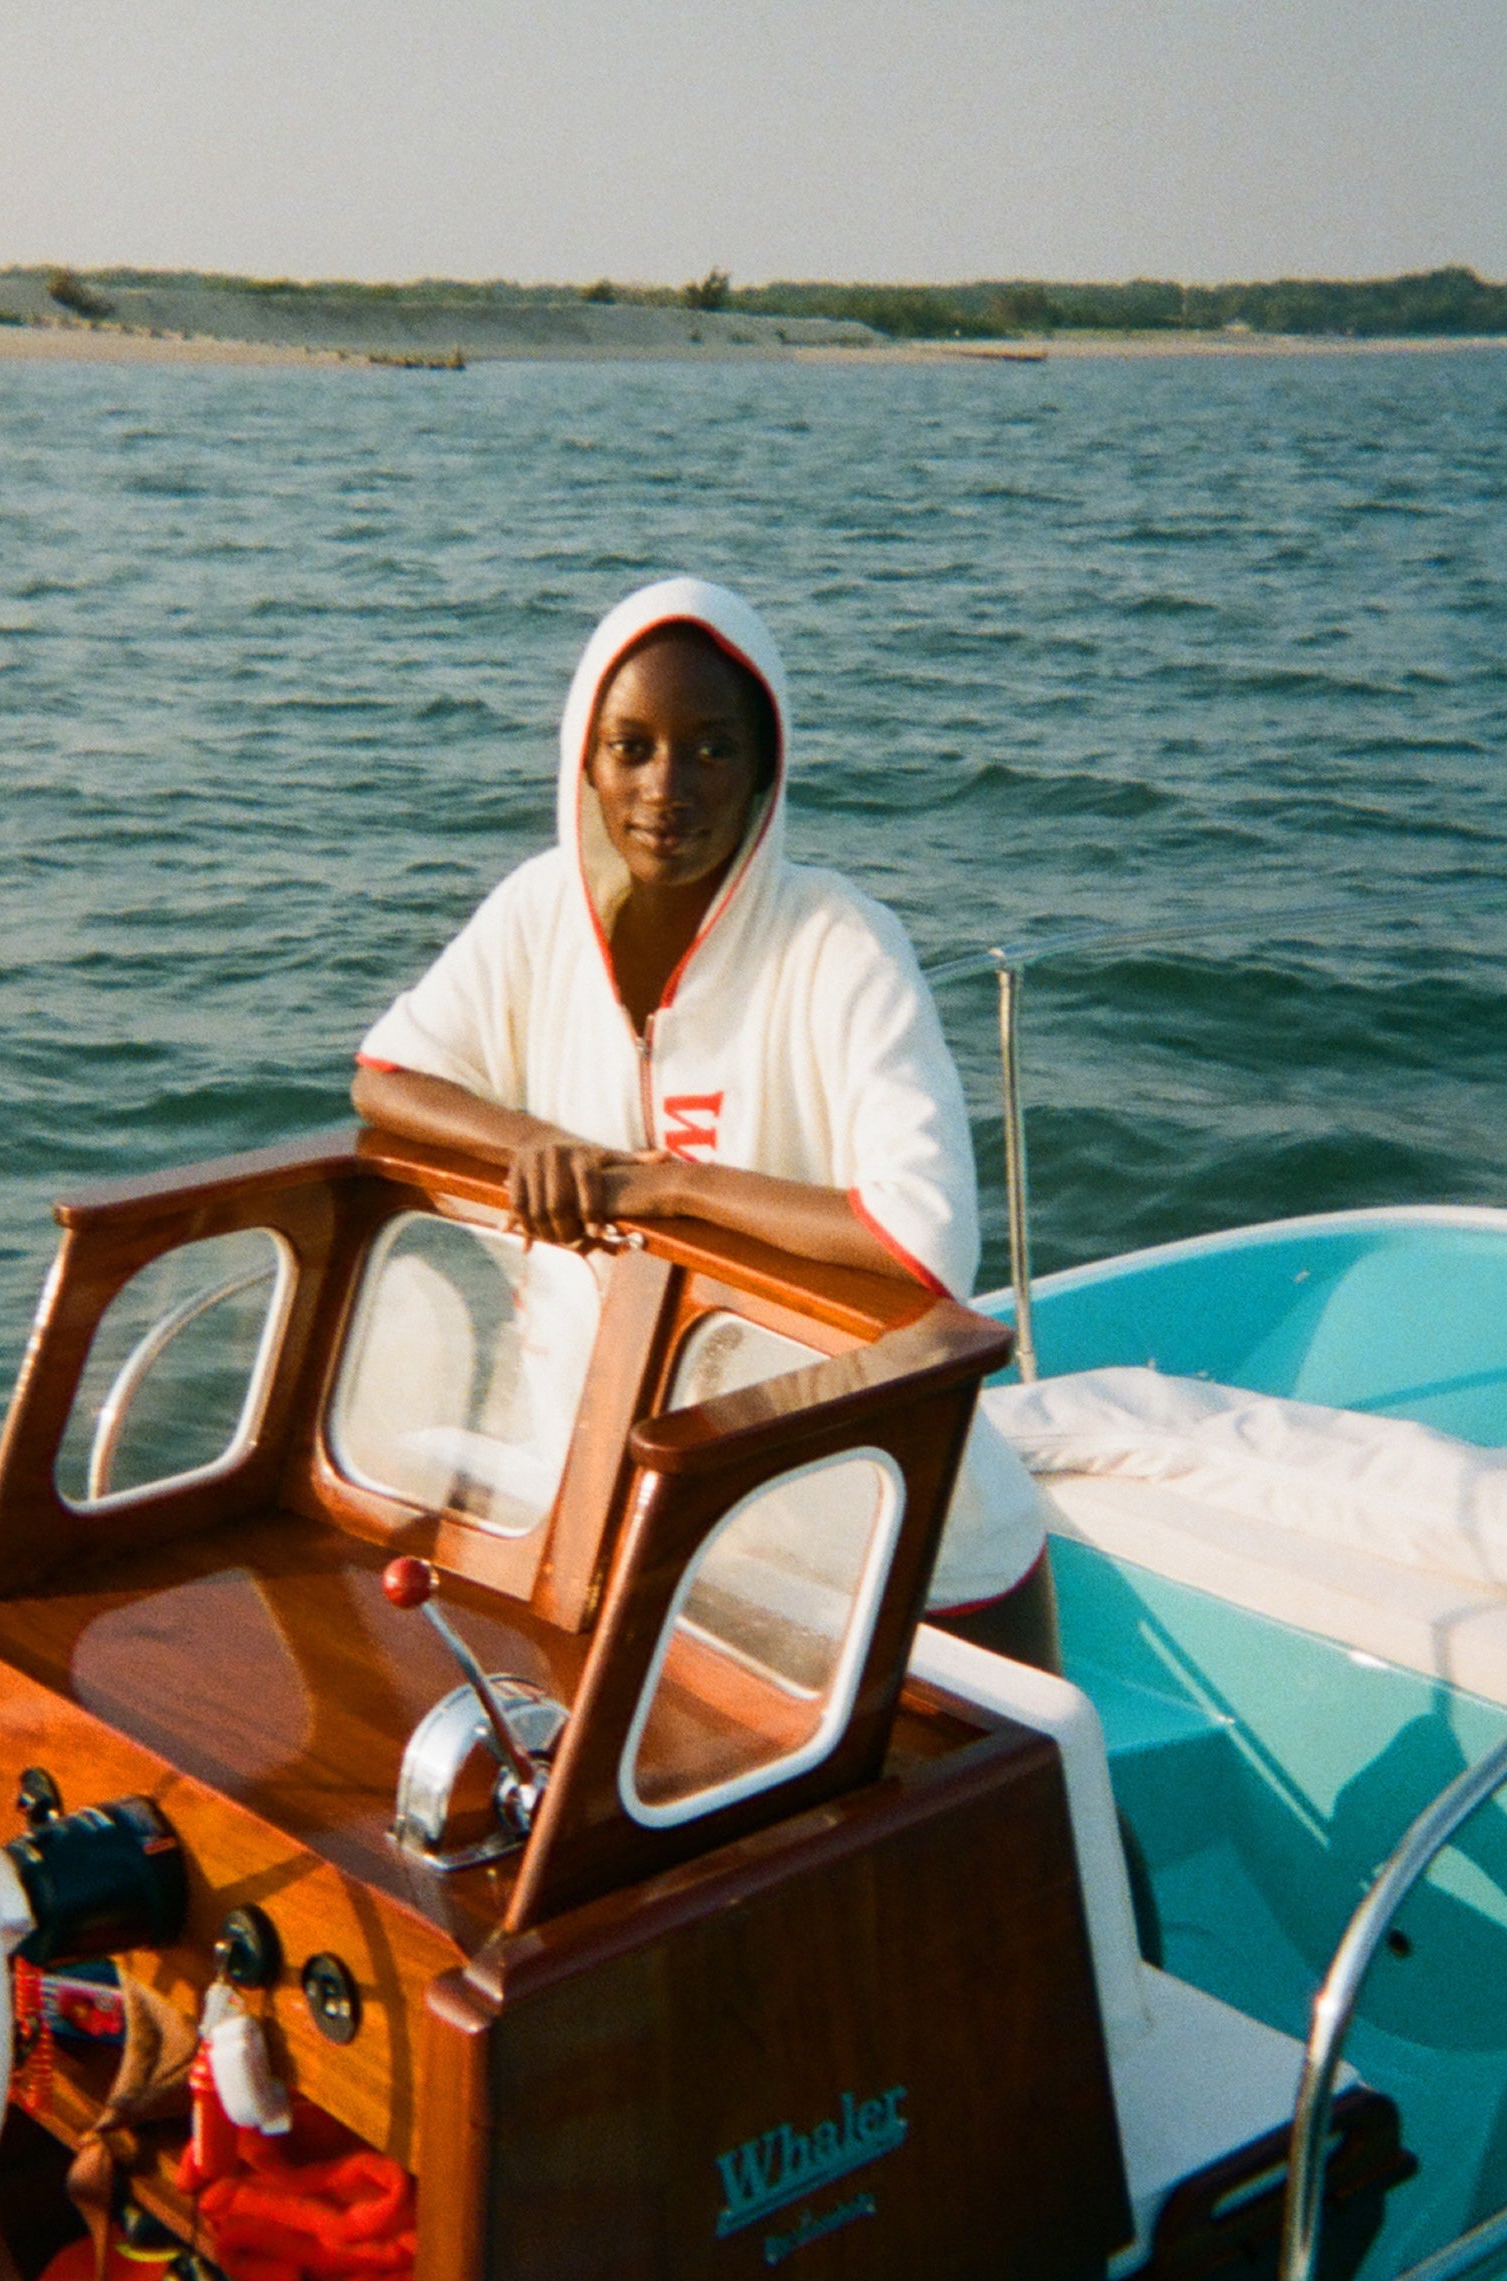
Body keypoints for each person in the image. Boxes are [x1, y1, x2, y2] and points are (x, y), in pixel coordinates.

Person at [351, 575, 1055, 1653]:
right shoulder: (537, 913)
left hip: (894, 1549)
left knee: (1024, 1825)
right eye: (630, 746)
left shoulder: (838, 941)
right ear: (583, 760)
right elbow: (388, 1077)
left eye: (712, 748)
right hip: (645, 1526)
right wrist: (537, 1144)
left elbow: (926, 1239)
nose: (666, 785)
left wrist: (659, 1182)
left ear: (767, 767)